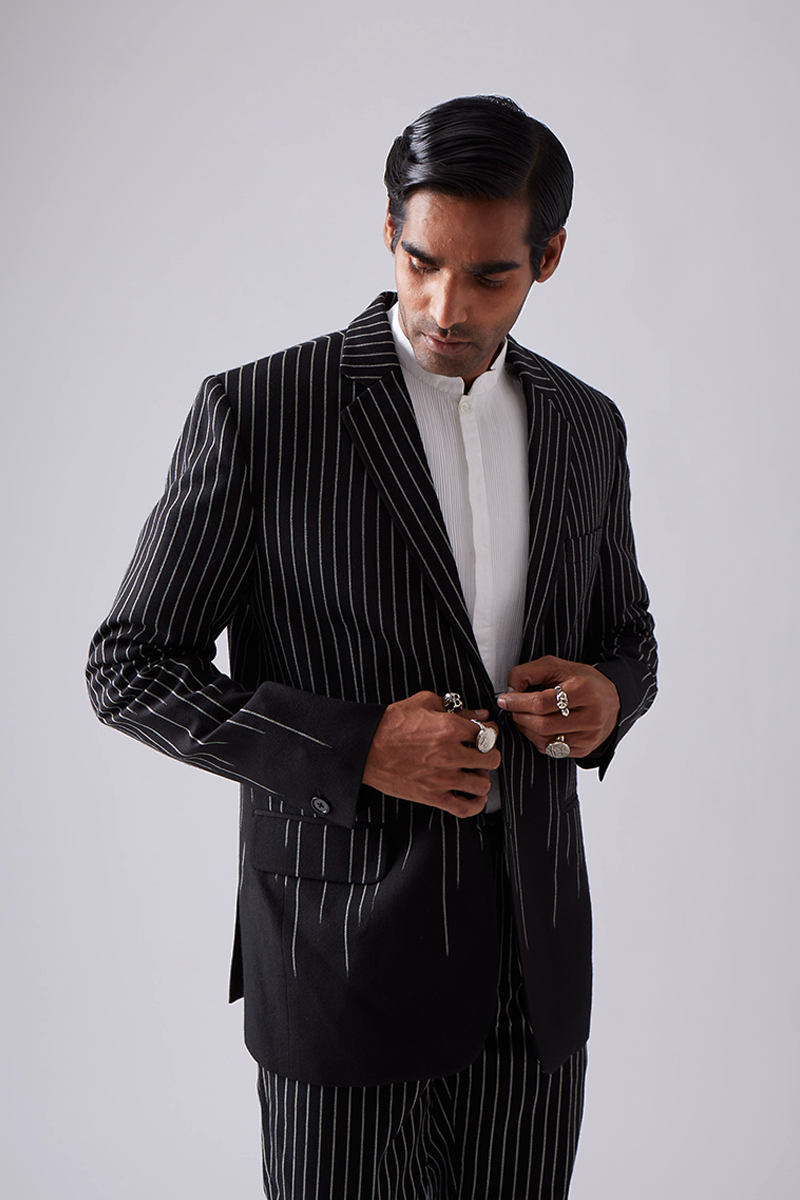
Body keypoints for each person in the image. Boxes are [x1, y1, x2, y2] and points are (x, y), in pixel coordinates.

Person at [87, 95, 657, 1199]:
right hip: (338, 959)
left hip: (534, 976)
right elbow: (129, 667)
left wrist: (609, 693)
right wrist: (356, 749)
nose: (445, 305)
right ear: (388, 232)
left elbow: (626, 633)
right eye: (420, 262)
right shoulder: (263, 412)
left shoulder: (587, 426)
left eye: (488, 275)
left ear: (547, 258)